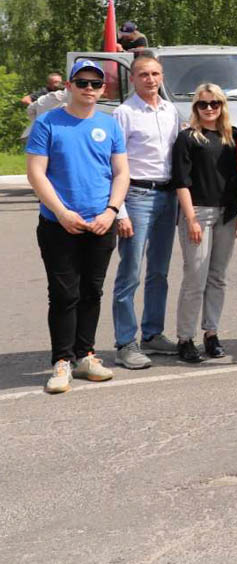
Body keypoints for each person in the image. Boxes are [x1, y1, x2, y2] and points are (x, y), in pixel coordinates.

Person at [26, 59, 129, 393]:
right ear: (68, 86)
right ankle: (62, 361)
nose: (89, 89)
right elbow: (36, 173)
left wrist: (112, 211)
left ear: (103, 89)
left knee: (91, 291)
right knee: (63, 294)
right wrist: (62, 212)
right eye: (82, 83)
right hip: (59, 224)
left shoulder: (110, 125)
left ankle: (85, 355)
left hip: (101, 223)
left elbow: (121, 173)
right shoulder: (48, 123)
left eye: (95, 84)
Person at [111, 52, 182, 369]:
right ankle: (126, 342)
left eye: (155, 74)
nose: (150, 80)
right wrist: (119, 211)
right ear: (133, 78)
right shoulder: (124, 114)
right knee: (130, 274)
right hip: (136, 195)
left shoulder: (171, 111)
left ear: (162, 76)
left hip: (167, 196)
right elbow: (114, 167)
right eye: (143, 75)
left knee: (159, 272)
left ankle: (153, 334)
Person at [171, 84, 237, 362]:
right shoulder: (188, 138)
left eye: (214, 103)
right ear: (196, 108)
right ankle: (185, 337)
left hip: (227, 214)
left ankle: (211, 333)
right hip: (198, 213)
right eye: (203, 104)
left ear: (222, 105)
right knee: (195, 278)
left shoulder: (232, 137)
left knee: (218, 278)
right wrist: (190, 218)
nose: (209, 108)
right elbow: (181, 181)